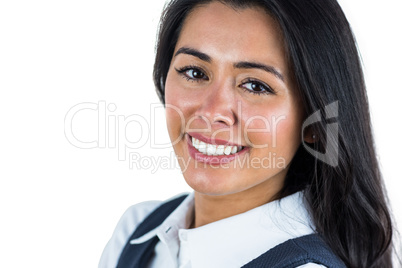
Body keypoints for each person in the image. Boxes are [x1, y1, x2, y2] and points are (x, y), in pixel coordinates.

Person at [99, 0, 398, 267]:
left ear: (315, 124)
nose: (212, 112)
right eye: (194, 72)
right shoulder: (135, 232)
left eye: (256, 86)